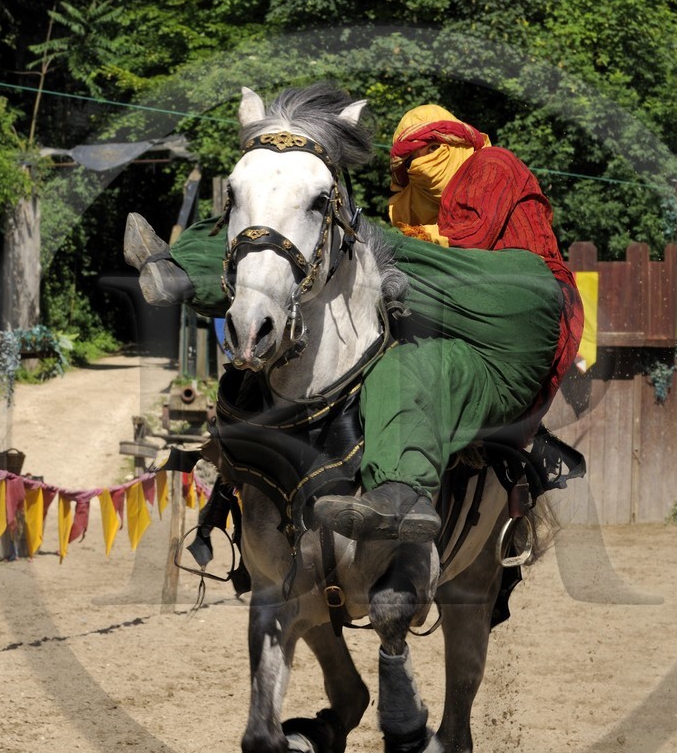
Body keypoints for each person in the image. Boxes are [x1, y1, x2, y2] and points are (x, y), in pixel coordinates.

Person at [130, 97, 580, 542]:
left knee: (365, 266)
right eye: (405, 157)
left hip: (514, 304)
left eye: (430, 150)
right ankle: (181, 273)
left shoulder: (493, 167)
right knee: (311, 244)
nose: (416, 164)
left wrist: (379, 249)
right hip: (443, 309)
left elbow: (465, 241)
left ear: (455, 142)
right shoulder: (407, 198)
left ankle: (402, 494)